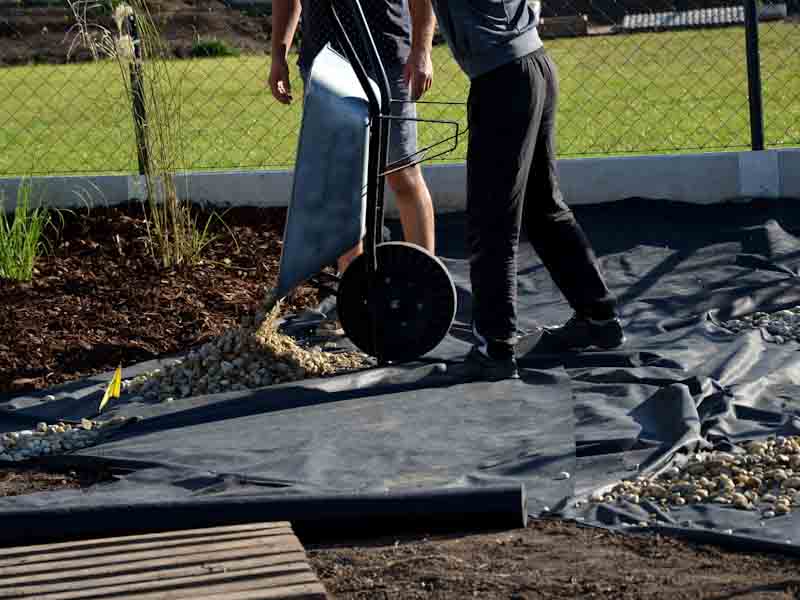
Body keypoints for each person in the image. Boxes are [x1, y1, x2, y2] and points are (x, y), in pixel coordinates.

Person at [420, 0, 625, 380]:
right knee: (543, 206)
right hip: (535, 63)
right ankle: (600, 318)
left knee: (492, 219)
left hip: (502, 79)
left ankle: (494, 348)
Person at [268, 0, 437, 280]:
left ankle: (427, 285)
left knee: (402, 174)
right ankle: (354, 297)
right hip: (326, 65)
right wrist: (278, 55)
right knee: (345, 186)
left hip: (387, 59)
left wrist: (422, 50)